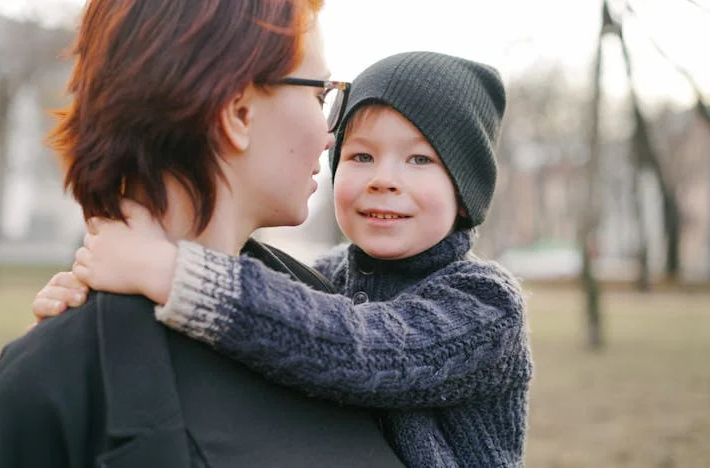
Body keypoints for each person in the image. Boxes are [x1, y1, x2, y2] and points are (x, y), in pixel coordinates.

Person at [0, 1, 408, 467]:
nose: (330, 134)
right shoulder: (53, 381)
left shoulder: (333, 319)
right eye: (319, 96)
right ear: (238, 113)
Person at [35, 51, 535, 467]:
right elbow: (271, 333)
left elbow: (361, 349)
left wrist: (173, 274)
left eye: (420, 159)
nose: (384, 178)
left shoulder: (485, 303)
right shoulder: (328, 276)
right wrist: (96, 302)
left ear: (466, 194)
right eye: (361, 156)